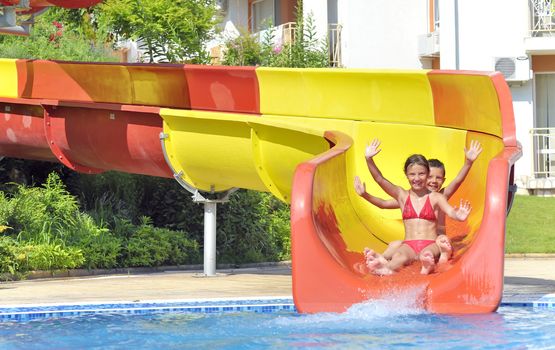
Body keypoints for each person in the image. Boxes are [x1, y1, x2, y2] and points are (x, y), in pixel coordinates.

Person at [355, 139, 472, 275]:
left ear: (427, 175)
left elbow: (451, 211)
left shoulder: (436, 197)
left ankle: (427, 265)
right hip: (409, 244)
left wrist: (459, 215)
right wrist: (369, 159)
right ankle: (386, 267)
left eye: (421, 174)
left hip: (430, 242)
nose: (417, 178)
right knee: (399, 256)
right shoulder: (402, 196)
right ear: (406, 175)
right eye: (412, 174)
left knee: (427, 253)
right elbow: (380, 179)